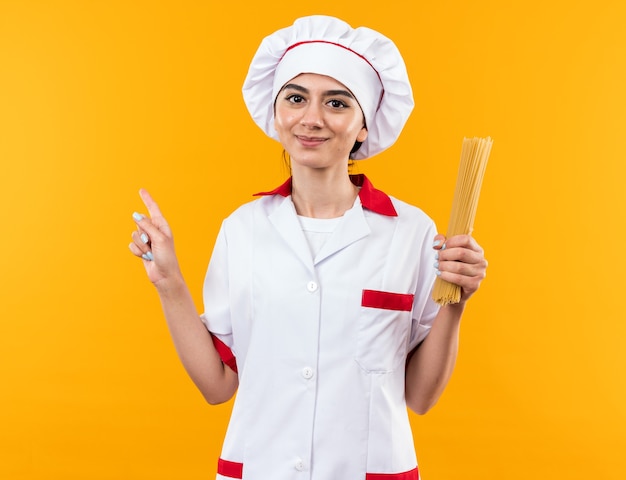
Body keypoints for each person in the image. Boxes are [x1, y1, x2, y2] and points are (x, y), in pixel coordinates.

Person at [129, 15, 487, 480]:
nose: (311, 118)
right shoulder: (243, 230)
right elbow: (218, 385)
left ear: (364, 125)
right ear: (276, 115)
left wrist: (456, 301)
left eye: (336, 103)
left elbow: (420, 397)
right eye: (296, 98)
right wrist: (169, 282)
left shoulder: (411, 232)